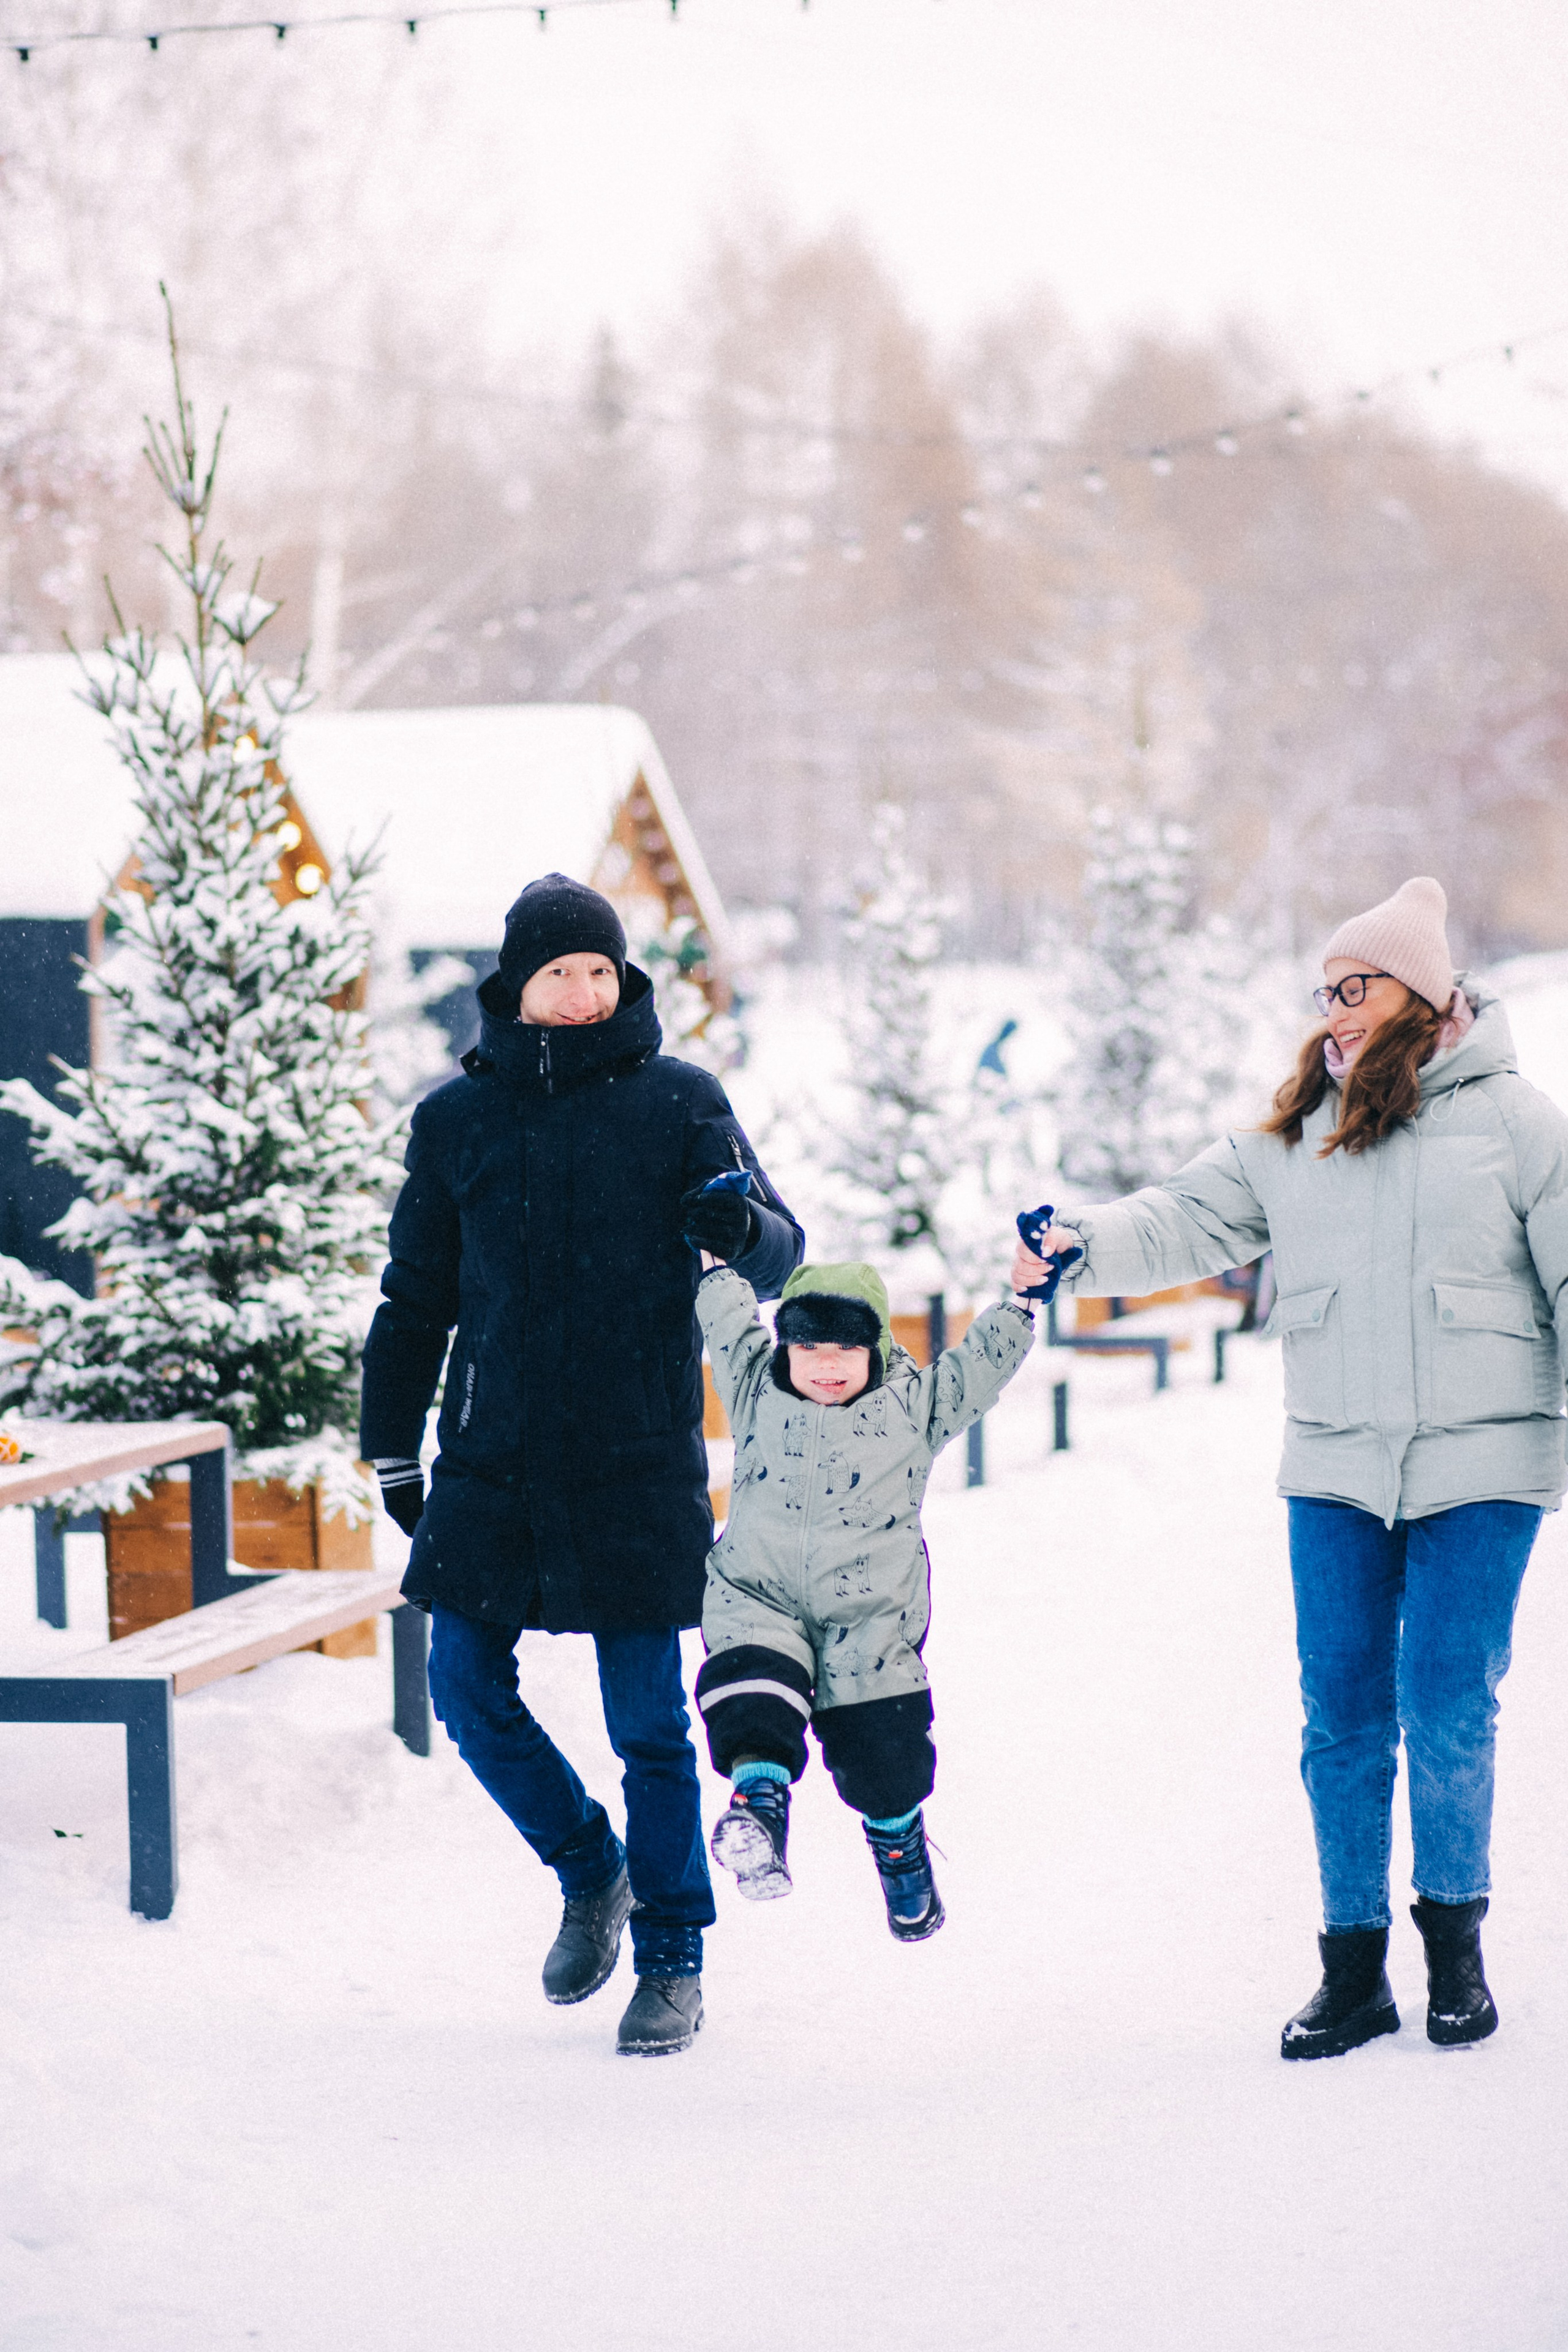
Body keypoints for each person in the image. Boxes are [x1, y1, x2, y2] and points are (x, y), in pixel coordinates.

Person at [1013, 876, 1568, 2060]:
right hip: (1335, 1463)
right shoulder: (1300, 1130)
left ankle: (1455, 1954)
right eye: (1325, 992)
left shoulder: (1522, 1123)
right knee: (1342, 1718)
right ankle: (1352, 1972)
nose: (1334, 1010)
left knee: (1448, 1704)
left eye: (1355, 986)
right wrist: (1082, 1241)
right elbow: (1183, 1218)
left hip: (1487, 1460)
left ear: (1420, 991)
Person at [360, 873, 803, 2058]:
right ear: (517, 985)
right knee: (465, 1687)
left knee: (649, 1725)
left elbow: (781, 1251)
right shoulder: (457, 1122)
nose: (586, 990)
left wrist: (739, 1230)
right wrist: (389, 1446)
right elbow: (415, 1300)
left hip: (634, 1460)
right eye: (562, 972)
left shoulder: (680, 1103)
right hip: (493, 1458)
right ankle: (588, 1864)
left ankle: (672, 1953)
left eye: (602, 970)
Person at [690, 1256, 1036, 1942]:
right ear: (785, 1346)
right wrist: (715, 1261)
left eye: (847, 1347)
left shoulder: (912, 1406)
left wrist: (1021, 1304)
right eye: (809, 1345)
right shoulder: (755, 1386)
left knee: (882, 1751)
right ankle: (759, 1810)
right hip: (758, 1595)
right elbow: (728, 1324)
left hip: (869, 1617)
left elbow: (978, 1368)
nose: (827, 1364)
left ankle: (900, 1848)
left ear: (875, 1348)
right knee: (751, 1698)